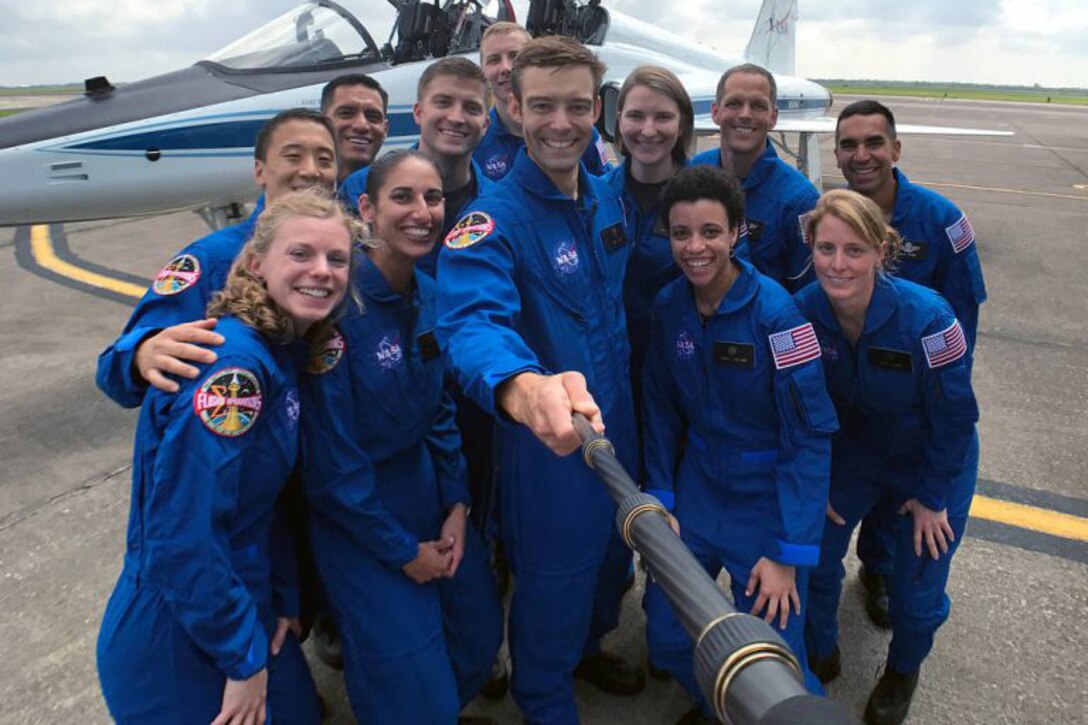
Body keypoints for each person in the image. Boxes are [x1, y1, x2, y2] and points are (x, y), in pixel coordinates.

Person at [437, 36, 642, 724]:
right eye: (544, 106)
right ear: (515, 111)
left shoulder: (607, 198)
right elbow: (471, 323)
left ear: (597, 110)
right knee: (555, 581)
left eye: (578, 106)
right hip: (551, 445)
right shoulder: (490, 221)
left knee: (613, 565)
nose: (563, 122)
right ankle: (546, 697)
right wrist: (522, 386)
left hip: (621, 430)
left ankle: (585, 649)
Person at [96, 189, 354, 724]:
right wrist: (241, 659)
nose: (322, 271)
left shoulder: (282, 352)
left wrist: (282, 595)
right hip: (181, 629)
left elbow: (266, 505)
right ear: (256, 264)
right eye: (301, 254)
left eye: (338, 258)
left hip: (240, 602)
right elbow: (181, 536)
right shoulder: (234, 369)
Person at [299, 150, 503, 724]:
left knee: (479, 632)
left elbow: (440, 411)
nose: (422, 212)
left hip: (427, 492)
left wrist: (457, 504)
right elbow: (330, 463)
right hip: (357, 515)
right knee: (400, 660)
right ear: (365, 208)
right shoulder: (334, 310)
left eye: (433, 198)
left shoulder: (432, 295)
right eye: (403, 198)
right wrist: (399, 551)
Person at [640, 165, 837, 723]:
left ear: (736, 234)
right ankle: (718, 704)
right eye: (681, 234)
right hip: (698, 489)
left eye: (710, 232)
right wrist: (660, 497)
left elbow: (809, 437)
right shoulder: (669, 306)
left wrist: (785, 551)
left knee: (775, 663)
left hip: (765, 502)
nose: (695, 247)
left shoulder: (777, 316)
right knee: (669, 634)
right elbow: (658, 405)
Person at [797, 190, 980, 725]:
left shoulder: (929, 318)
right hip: (855, 452)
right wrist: (818, 478)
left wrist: (931, 496)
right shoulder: (802, 311)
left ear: (882, 250)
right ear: (810, 248)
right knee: (815, 550)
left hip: (929, 458)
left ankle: (903, 669)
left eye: (854, 250)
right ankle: (821, 651)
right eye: (826, 248)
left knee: (917, 588)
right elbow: (800, 405)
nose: (837, 264)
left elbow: (955, 417)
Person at [833, 100, 989, 627]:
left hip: (921, 397)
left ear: (896, 149)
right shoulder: (832, 216)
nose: (862, 155)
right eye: (849, 145)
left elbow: (963, 320)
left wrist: (938, 404)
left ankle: (878, 571)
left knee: (903, 507)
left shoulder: (942, 220)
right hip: (857, 397)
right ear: (836, 154)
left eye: (874, 142)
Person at [95, 108, 338, 407]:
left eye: (325, 160)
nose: (312, 170)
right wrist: (142, 352)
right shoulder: (213, 258)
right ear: (260, 171)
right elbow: (112, 373)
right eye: (293, 156)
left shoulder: (340, 259)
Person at [340, 57, 495, 277]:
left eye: (471, 108)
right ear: (418, 113)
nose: (456, 117)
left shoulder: (498, 204)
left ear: (485, 125)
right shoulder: (360, 187)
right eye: (443, 102)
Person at [690, 63, 817, 291]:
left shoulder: (800, 201)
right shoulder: (692, 175)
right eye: (734, 104)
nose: (745, 114)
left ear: (773, 117)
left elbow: (808, 291)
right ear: (715, 112)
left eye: (758, 106)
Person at [473, 21, 612, 181]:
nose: (506, 67)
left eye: (514, 56)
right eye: (494, 60)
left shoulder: (581, 133)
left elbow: (608, 188)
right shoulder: (476, 142)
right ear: (482, 70)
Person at [321, 73, 389, 184]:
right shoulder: (296, 195)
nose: (361, 125)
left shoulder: (401, 196)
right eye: (346, 113)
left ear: (385, 129)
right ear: (322, 123)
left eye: (372, 117)